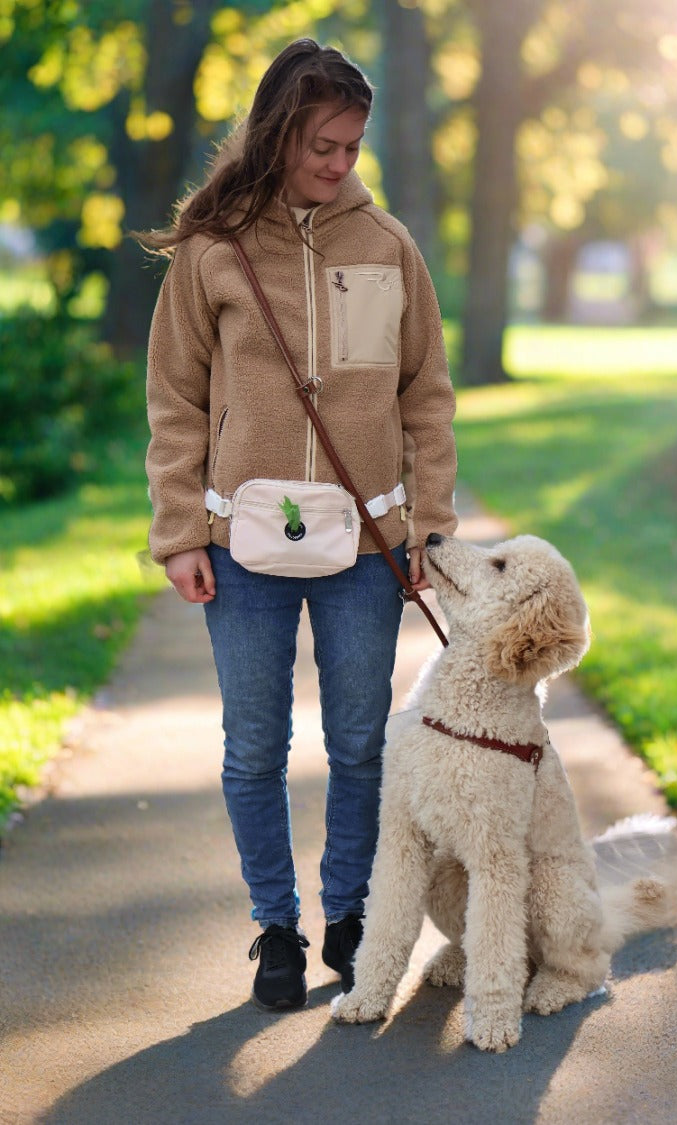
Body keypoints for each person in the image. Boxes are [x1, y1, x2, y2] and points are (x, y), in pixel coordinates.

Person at [142, 38, 457, 1012]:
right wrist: (180, 529)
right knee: (252, 747)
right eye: (322, 145)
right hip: (243, 546)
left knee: (360, 744)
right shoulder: (212, 249)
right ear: (278, 133)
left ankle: (349, 914)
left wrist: (430, 530)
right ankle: (274, 927)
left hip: (366, 549)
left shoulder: (389, 246)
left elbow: (427, 399)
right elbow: (175, 401)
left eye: (353, 148)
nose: (338, 165)